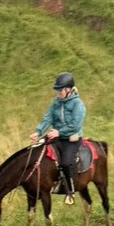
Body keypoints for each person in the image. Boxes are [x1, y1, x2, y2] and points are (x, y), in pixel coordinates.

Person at [30, 72, 86, 205]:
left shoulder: (78, 105)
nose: (58, 93)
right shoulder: (56, 102)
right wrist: (38, 132)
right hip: (56, 136)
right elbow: (48, 117)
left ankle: (70, 192)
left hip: (71, 138)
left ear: (68, 90)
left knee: (66, 162)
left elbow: (75, 125)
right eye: (57, 90)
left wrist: (59, 132)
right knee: (38, 153)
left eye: (60, 90)